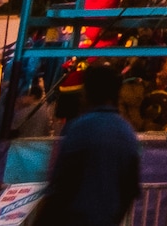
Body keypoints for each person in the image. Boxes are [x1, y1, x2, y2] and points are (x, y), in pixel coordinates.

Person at [38, 63, 141, 226]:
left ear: (90, 93)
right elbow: (130, 189)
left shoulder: (81, 128)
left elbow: (62, 185)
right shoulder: (127, 133)